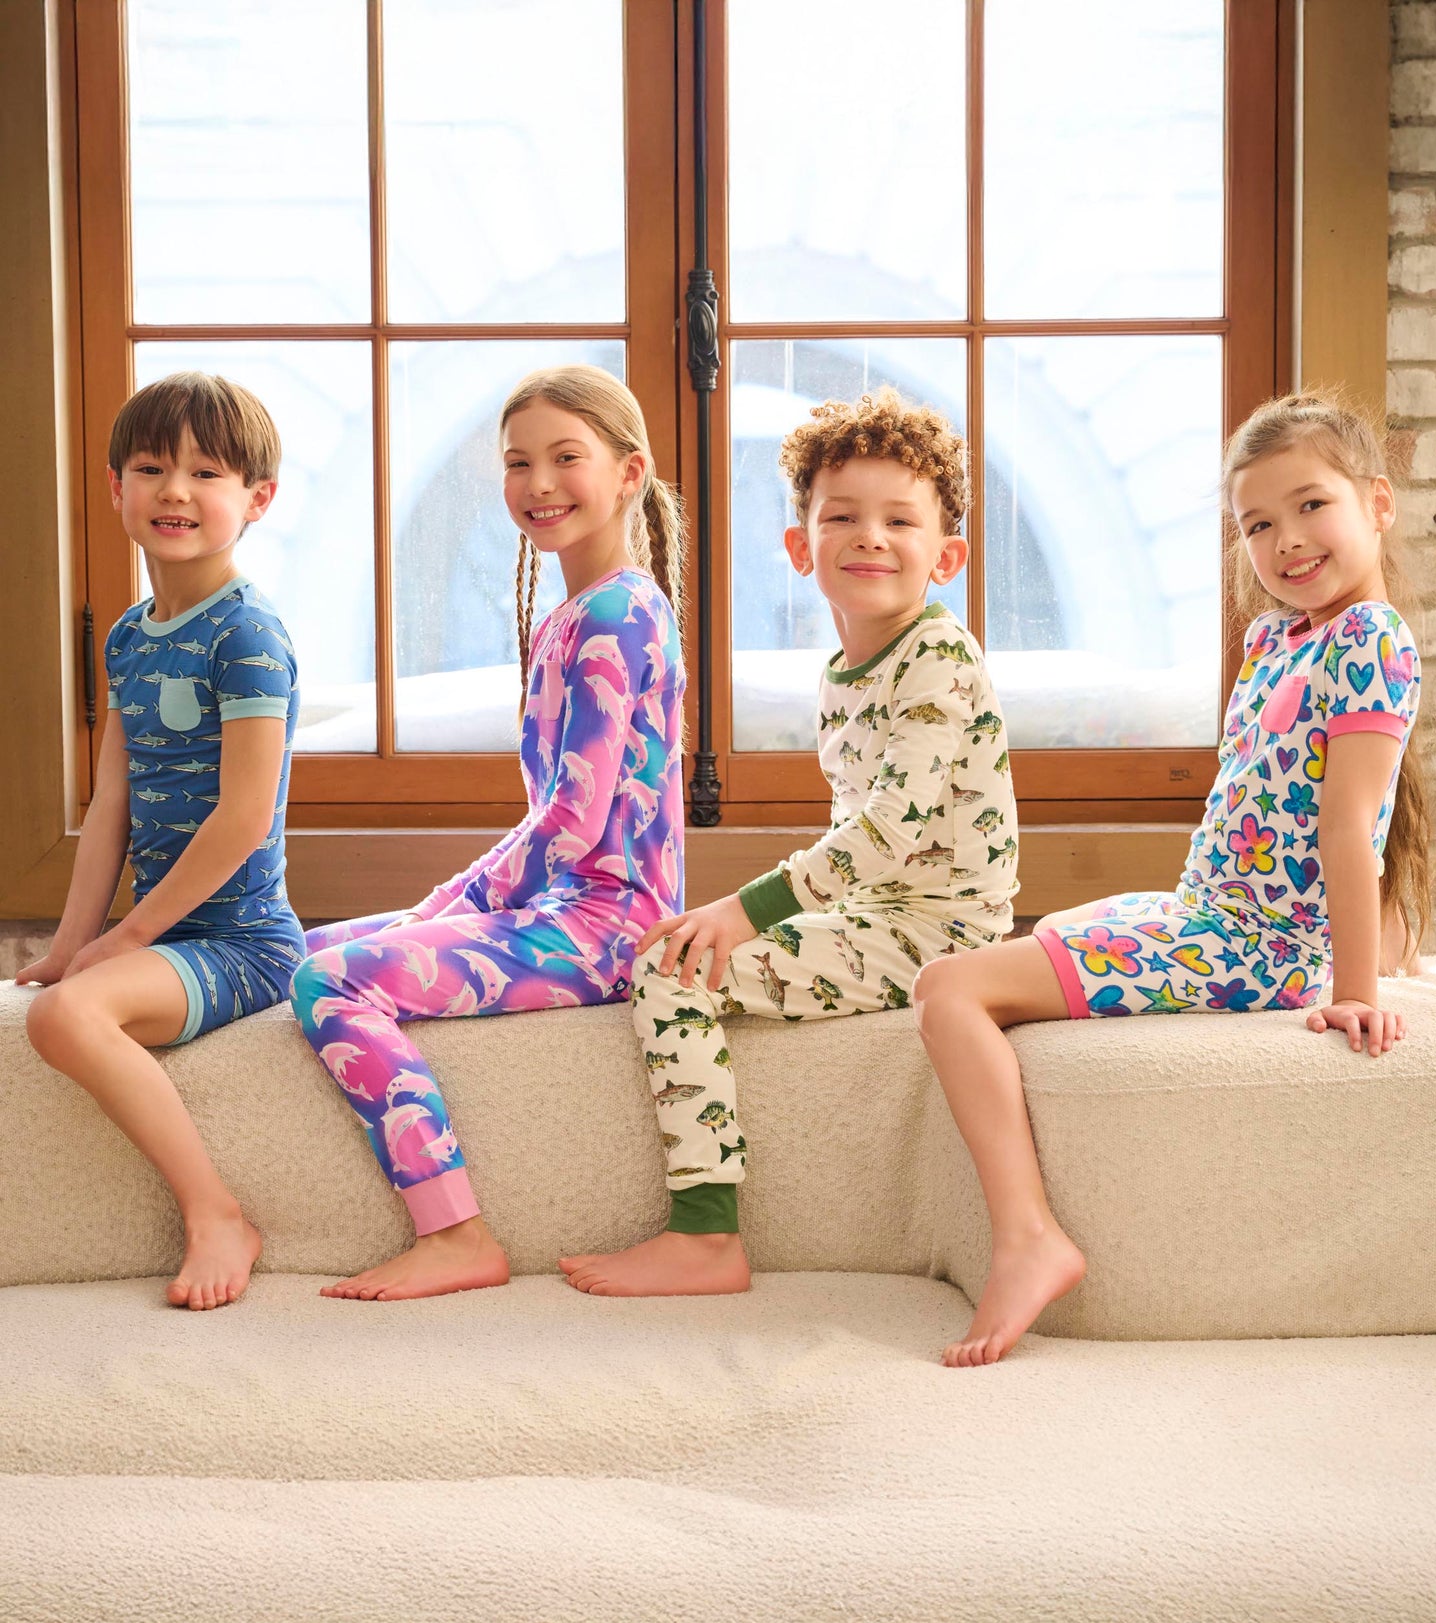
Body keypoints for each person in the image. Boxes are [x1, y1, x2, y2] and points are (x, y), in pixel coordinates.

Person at [912, 391, 1428, 1368]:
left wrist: (1353, 990)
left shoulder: (1367, 641)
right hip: (1207, 914)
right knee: (1027, 943)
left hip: (1244, 949)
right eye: (1256, 523)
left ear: (1374, 503)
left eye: (1310, 506)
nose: (1285, 540)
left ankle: (1027, 1235)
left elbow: (1348, 822)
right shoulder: (1280, 638)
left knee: (947, 991)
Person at [560, 389, 1019, 1298]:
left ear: (946, 555)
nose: (870, 537)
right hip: (879, 913)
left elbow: (888, 827)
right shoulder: (842, 672)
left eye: (899, 520)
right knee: (664, 941)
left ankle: (705, 1235)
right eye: (841, 517)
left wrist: (747, 909)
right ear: (800, 547)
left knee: (672, 972)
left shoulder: (939, 654)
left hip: (938, 934)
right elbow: (858, 830)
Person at [290, 365, 687, 1302]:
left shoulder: (620, 614)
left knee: (329, 975)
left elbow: (572, 822)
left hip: (604, 930)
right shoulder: (576, 614)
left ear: (629, 474)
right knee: (296, 948)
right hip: (561, 908)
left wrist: (439, 904)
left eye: (565, 458)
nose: (538, 482)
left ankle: (456, 1231)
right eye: (518, 462)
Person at [22, 372, 303, 1311]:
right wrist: (71, 942)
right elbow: (112, 805)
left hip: (240, 944)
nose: (175, 491)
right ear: (115, 487)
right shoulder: (133, 638)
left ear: (256, 499)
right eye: (151, 468)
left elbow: (243, 818)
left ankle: (217, 1210)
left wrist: (127, 938)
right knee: (59, 992)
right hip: (168, 938)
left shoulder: (248, 633)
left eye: (206, 472)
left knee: (63, 1018)